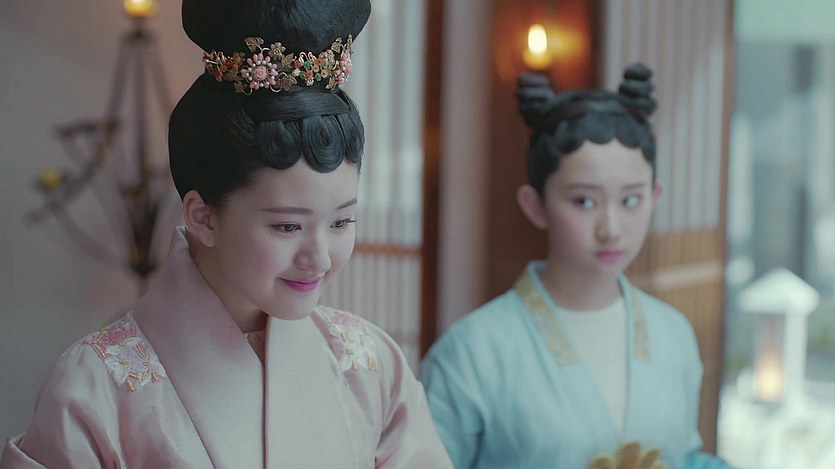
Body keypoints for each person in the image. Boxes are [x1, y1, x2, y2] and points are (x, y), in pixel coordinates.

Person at [0, 0, 452, 467]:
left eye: (340, 222)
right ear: (203, 217)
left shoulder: (371, 367)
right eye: (288, 226)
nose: (319, 258)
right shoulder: (93, 390)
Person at [420, 64, 733, 469]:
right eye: (584, 201)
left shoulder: (674, 334)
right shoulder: (470, 352)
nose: (611, 229)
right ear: (535, 205)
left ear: (655, 197)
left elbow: (684, 457)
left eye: (631, 200)